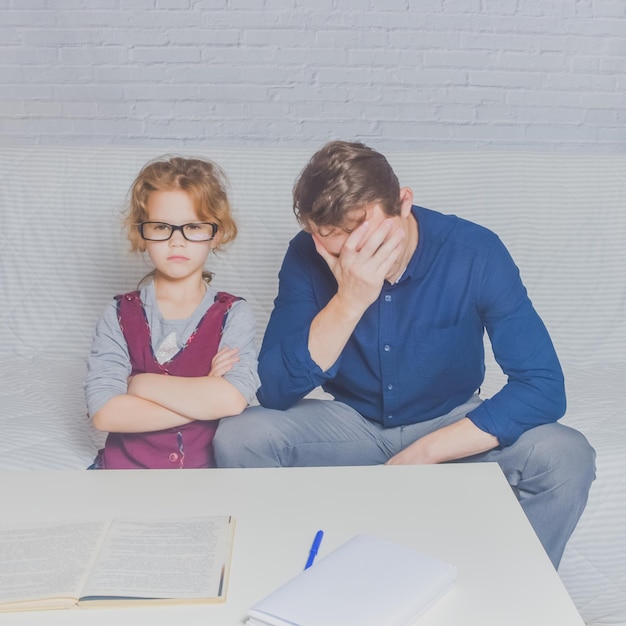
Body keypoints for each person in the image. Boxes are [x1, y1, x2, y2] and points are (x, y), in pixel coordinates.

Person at [213, 140, 595, 569]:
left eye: (365, 235)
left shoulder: (475, 250)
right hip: (350, 423)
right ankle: (286, 581)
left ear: (403, 203)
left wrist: (426, 453)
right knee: (239, 435)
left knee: (566, 454)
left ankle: (514, 595)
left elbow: (542, 386)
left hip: (449, 419)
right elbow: (275, 389)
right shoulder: (305, 255)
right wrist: (350, 300)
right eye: (334, 245)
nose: (355, 256)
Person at [84, 156, 259, 469]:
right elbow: (105, 413)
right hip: (124, 474)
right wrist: (205, 395)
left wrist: (139, 385)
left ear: (216, 233)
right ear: (142, 232)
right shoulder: (118, 314)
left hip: (205, 476)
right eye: (162, 227)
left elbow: (232, 399)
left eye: (193, 226)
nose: (177, 241)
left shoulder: (234, 313)